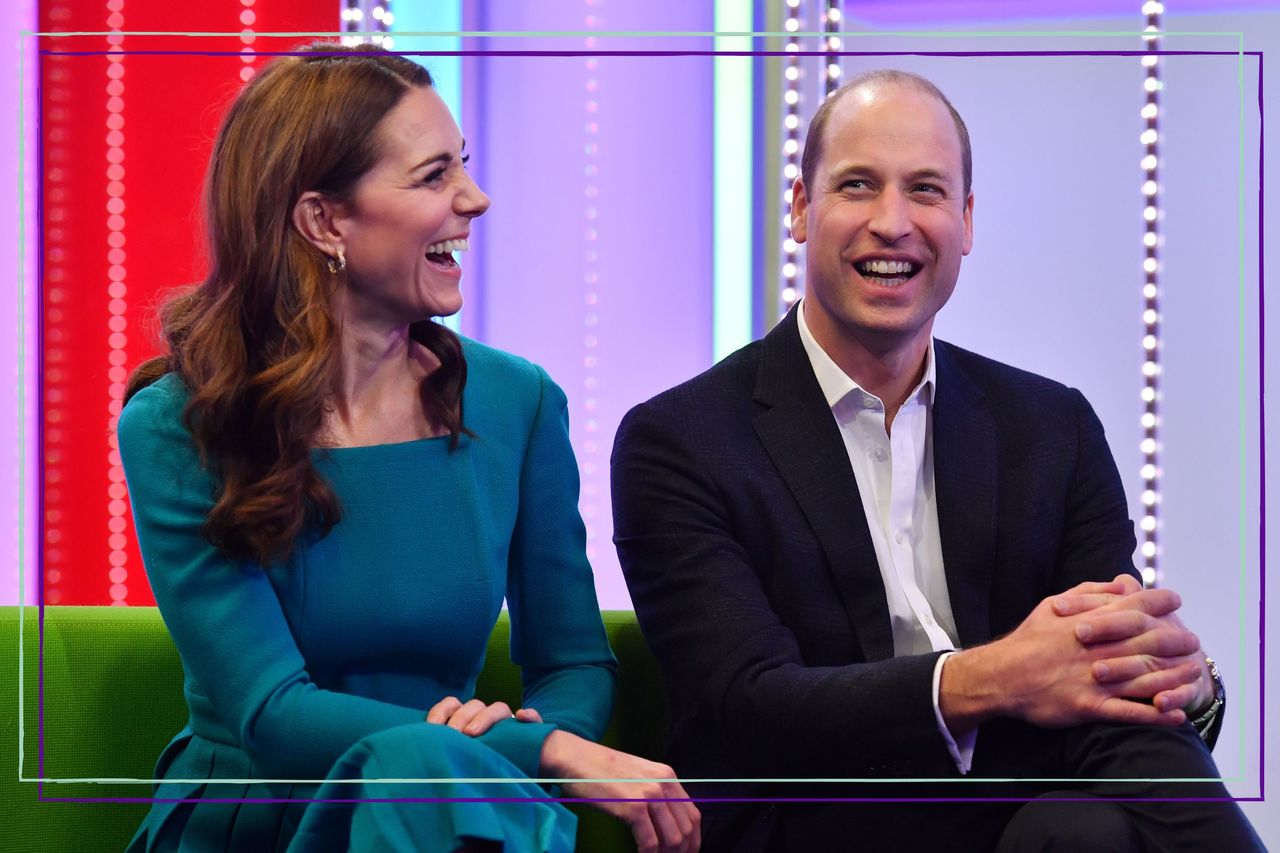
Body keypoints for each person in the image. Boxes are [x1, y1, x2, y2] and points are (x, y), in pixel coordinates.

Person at [611, 69, 1260, 851]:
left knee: (1084, 817)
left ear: (966, 219)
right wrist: (998, 677)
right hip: (821, 814)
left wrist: (1185, 686)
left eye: (925, 190)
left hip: (1024, 799)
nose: (893, 222)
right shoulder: (680, 439)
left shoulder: (1053, 425)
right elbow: (748, 708)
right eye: (857, 185)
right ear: (800, 209)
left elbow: (1103, 682)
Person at [119, 43, 699, 853]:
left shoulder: (518, 403)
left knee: (426, 782)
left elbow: (573, 663)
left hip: (453, 814)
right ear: (325, 221)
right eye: (434, 177)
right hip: (258, 820)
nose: (476, 198)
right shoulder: (178, 425)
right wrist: (537, 750)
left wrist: (514, 748)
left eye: (462, 165)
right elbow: (273, 714)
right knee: (416, 767)